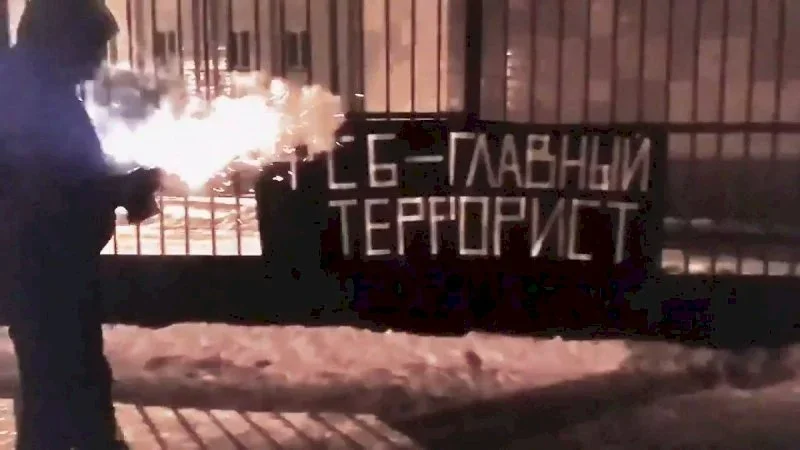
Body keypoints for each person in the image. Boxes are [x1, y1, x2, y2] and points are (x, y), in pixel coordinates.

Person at [0, 1, 160, 448]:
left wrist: (116, 187)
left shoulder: (35, 89)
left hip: (50, 267)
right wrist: (119, 189)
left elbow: (62, 176)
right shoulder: (28, 97)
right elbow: (44, 190)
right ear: (63, 40)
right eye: (94, 46)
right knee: (62, 381)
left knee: (63, 382)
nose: (98, 60)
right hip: (43, 267)